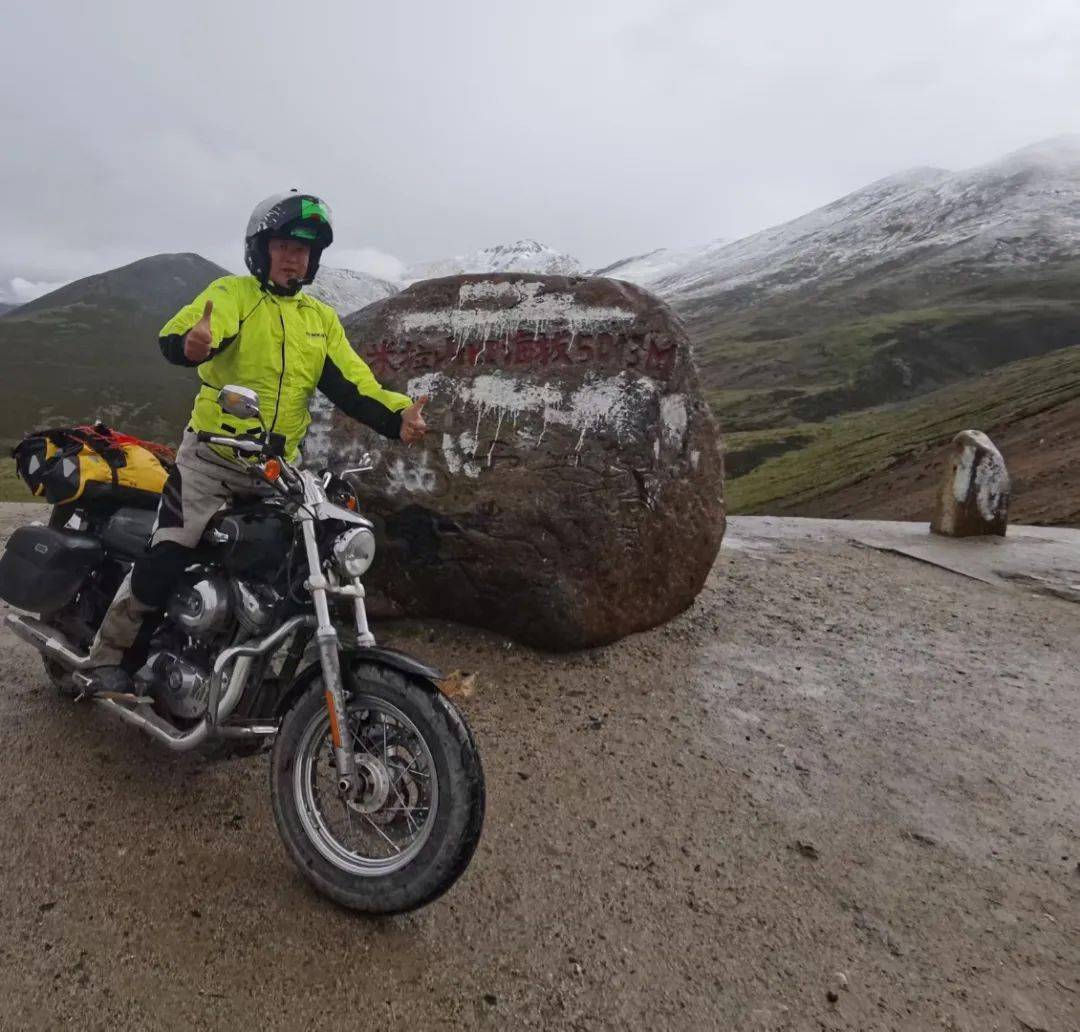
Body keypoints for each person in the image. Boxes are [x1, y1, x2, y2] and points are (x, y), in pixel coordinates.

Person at [85, 191, 428, 690]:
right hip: (210, 461)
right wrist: (192, 343)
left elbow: (355, 386)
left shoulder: (320, 321)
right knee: (167, 554)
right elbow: (193, 329)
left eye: (305, 251)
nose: (296, 258)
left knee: (292, 568)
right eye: (286, 245)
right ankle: (108, 658)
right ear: (261, 249)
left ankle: (247, 670)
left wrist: (398, 416)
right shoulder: (234, 296)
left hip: (275, 474)